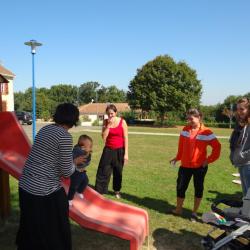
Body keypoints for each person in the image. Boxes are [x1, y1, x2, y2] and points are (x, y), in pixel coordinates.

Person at [16, 103, 84, 250]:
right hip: (43, 191)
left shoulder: (46, 129)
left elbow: (47, 158)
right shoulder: (65, 136)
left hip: (25, 185)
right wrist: (74, 163)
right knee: (58, 223)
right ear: (73, 119)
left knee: (30, 225)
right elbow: (67, 172)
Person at [170, 108, 221, 220]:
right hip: (185, 166)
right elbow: (181, 147)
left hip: (200, 167)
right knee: (180, 187)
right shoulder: (184, 129)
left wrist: (208, 160)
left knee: (198, 188)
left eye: (191, 118)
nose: (189, 120)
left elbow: (217, 147)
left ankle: (194, 212)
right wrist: (177, 158)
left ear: (199, 117)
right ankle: (178, 209)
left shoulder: (207, 132)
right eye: (188, 118)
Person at [95, 104, 128, 198]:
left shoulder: (122, 122)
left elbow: (126, 138)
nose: (110, 115)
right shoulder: (105, 122)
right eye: (108, 114)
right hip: (108, 150)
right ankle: (100, 191)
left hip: (119, 150)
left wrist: (126, 154)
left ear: (116, 113)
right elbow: (103, 137)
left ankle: (117, 191)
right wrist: (108, 126)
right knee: (103, 170)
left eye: (112, 113)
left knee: (118, 171)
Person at [230, 97, 250, 196]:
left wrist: (241, 156)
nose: (239, 112)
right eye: (237, 109)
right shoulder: (241, 123)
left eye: (242, 109)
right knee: (246, 196)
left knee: (248, 196)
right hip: (241, 163)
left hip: (247, 164)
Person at [68, 134, 93, 206]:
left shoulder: (84, 151)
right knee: (73, 186)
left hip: (82, 171)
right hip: (75, 172)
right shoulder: (78, 151)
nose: (90, 148)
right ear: (82, 147)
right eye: (89, 146)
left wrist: (88, 152)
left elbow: (87, 161)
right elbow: (81, 157)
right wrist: (88, 153)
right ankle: (69, 199)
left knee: (86, 181)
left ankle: (79, 191)